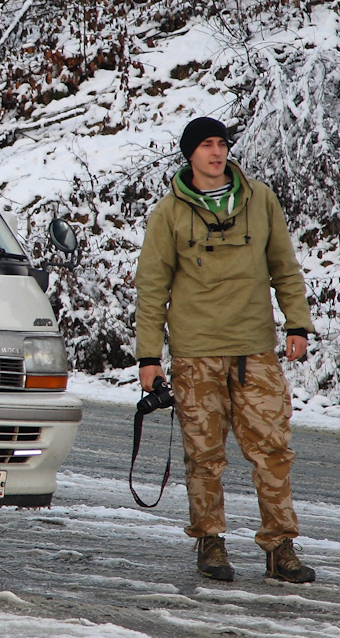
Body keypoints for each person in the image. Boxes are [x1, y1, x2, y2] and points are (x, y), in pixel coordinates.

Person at [134, 117, 317, 584]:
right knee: (204, 454)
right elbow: (152, 290)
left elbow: (284, 266)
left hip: (254, 350)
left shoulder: (259, 200)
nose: (216, 153)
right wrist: (149, 357)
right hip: (196, 354)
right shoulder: (168, 214)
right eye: (206, 146)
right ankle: (210, 541)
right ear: (189, 155)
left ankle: (280, 548)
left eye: (221, 144)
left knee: (272, 450)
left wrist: (297, 322)